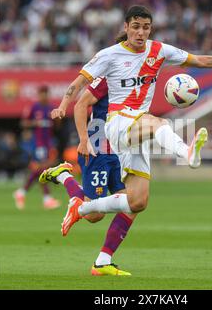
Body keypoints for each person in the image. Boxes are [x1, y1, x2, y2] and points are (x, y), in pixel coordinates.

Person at [43, 5, 212, 274]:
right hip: (117, 123)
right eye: (135, 26)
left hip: (137, 128)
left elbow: (199, 61)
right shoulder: (109, 56)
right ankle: (187, 152)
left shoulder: (159, 51)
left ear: (150, 29)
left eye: (145, 27)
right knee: (160, 124)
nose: (141, 32)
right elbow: (77, 85)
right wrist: (63, 104)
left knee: (137, 202)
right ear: (125, 27)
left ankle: (84, 216)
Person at [40, 77, 135, 276]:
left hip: (120, 152)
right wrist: (84, 139)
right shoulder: (108, 77)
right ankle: (64, 175)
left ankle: (102, 262)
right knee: (94, 215)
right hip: (98, 151)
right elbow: (81, 103)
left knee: (132, 203)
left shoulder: (137, 77)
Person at [13, 85, 60, 210]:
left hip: (48, 142)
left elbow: (57, 125)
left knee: (41, 169)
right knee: (43, 168)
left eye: (46, 93)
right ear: (39, 95)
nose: (44, 96)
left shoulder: (51, 108)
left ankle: (22, 192)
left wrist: (58, 118)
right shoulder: (34, 107)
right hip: (39, 143)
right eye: (42, 93)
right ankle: (47, 198)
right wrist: (35, 123)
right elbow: (23, 122)